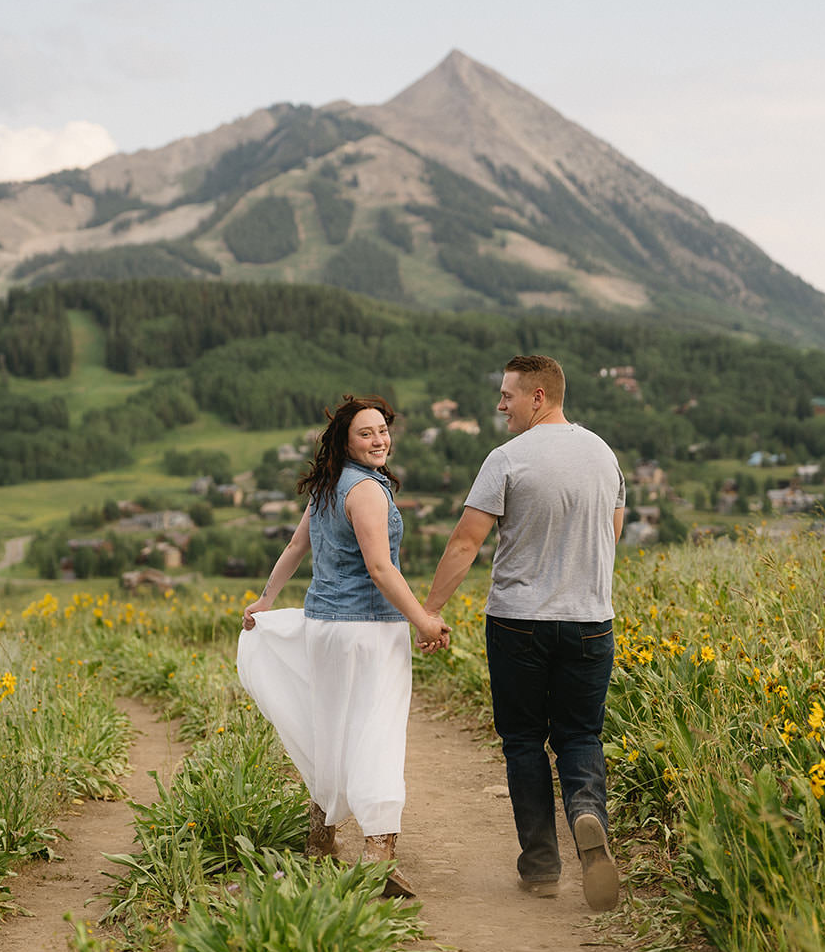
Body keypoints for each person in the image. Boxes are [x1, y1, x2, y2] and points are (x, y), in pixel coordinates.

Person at [423, 355, 625, 911]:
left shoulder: (507, 459)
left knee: (523, 742)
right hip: (590, 622)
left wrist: (430, 610)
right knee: (581, 736)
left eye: (507, 395)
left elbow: (466, 542)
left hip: (518, 621)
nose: (500, 405)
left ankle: (540, 865)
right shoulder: (604, 456)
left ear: (538, 396)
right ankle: (586, 815)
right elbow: (612, 534)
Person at [238, 395, 450, 898]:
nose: (380, 440)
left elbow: (295, 548)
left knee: (330, 728)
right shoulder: (368, 493)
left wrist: (266, 600)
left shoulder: (328, 488)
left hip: (324, 628)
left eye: (382, 430)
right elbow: (381, 569)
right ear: (346, 441)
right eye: (366, 433)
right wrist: (422, 620)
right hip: (369, 632)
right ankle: (379, 856)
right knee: (378, 732)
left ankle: (321, 840)